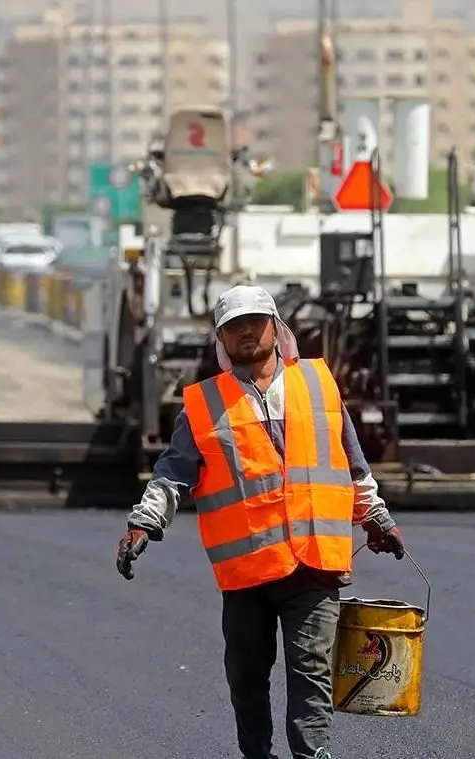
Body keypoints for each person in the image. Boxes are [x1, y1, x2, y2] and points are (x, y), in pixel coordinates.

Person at [115, 284, 405, 759]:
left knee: (311, 669)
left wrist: (376, 517)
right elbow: (174, 471)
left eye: (255, 321)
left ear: (276, 327)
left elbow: (352, 465)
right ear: (222, 340)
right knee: (246, 675)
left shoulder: (318, 385)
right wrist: (144, 522)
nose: (246, 331)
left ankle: (312, 755)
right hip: (247, 571)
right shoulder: (205, 406)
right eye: (234, 326)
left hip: (312, 563)